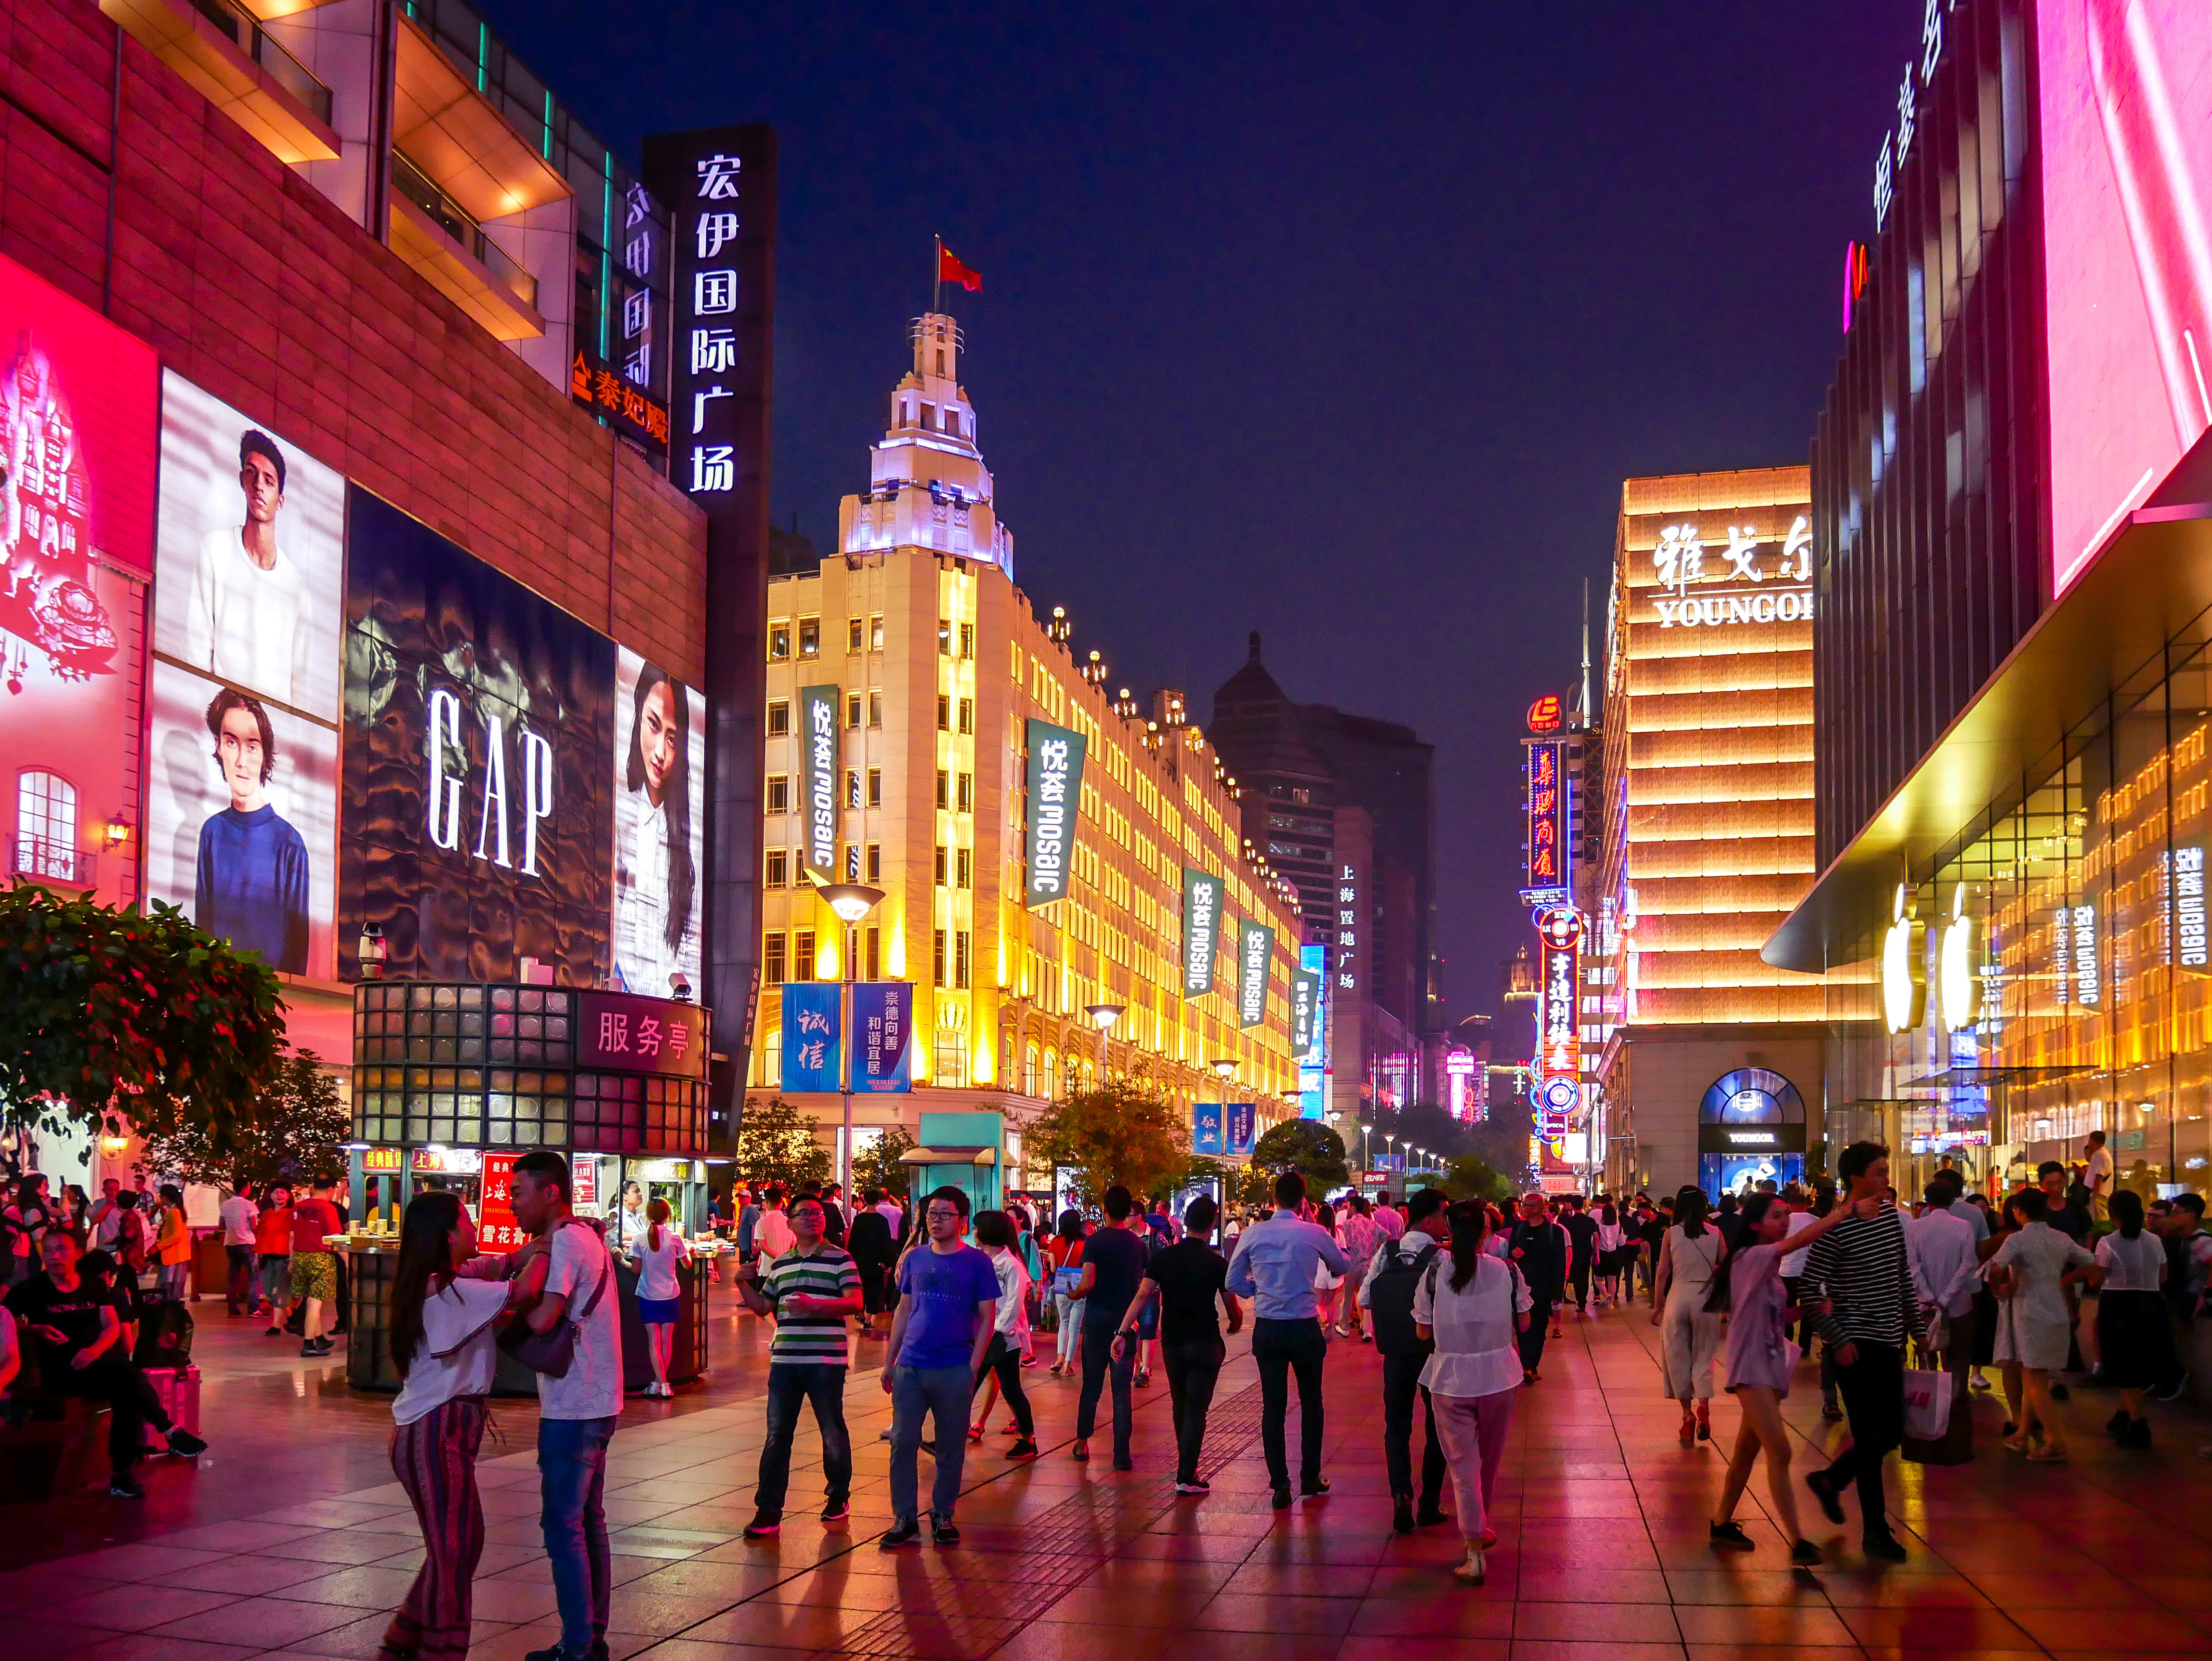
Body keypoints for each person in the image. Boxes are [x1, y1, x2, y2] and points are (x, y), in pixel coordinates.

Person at [1707, 1191, 1874, 1565]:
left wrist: (1808, 1309)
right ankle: (1798, 1540)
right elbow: (1798, 1241)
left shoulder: (1766, 1269)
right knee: (1780, 1450)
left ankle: (1721, 1524)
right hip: (1750, 1368)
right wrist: (1846, 1212)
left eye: (1786, 1215)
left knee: (1745, 1453)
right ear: (1755, 1223)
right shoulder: (1750, 1257)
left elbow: (1775, 1319)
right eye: (1776, 1216)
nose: (1784, 1222)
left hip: (1769, 1365)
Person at [381, 1190, 514, 1661]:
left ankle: (402, 1644)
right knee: (454, 1553)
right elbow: (530, 1289)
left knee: (457, 1547)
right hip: (435, 1431)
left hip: (438, 1428)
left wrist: (523, 1253)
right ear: (449, 1234)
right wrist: (558, 1244)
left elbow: (495, 1267)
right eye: (468, 1221)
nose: (475, 1229)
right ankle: (438, 1652)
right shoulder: (449, 1291)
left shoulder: (439, 1281)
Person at [504, 1148, 624, 1661]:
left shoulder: (566, 1244)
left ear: (550, 1192)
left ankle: (577, 1647)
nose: (511, 1203)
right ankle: (588, 1638)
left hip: (574, 1404)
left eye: (517, 1192)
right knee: (587, 1520)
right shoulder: (582, 1237)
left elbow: (542, 1320)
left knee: (563, 1524)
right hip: (598, 1398)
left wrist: (502, 1306)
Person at [3, 1230, 208, 1497]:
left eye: (62, 1249)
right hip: (62, 1372)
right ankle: (167, 1433)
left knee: (125, 1388)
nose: (55, 1256)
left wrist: (94, 1350)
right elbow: (5, 1318)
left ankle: (123, 1474)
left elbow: (112, 1325)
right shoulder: (31, 1290)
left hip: (96, 1365)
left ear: (78, 1253)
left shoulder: (94, 1285)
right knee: (126, 1376)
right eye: (49, 1250)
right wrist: (36, 1330)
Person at [1803, 1141, 1927, 1562]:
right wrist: (1837, 1339)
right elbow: (1808, 1289)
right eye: (1878, 1172)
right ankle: (1874, 1530)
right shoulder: (1835, 1227)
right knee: (1872, 1436)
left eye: (1886, 1171)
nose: (1886, 1179)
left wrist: (1918, 1329)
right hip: (1854, 1347)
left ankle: (1832, 1481)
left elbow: (1901, 1278)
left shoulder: (1892, 1217)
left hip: (1890, 1341)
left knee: (1889, 1433)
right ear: (1855, 1178)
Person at [1415, 1200, 1531, 1586]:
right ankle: (1481, 1527)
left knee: (1462, 1469)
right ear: (1487, 1230)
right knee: (1488, 1463)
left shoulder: (1435, 1272)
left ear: (1448, 1228)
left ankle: (1474, 1549)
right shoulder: (1507, 1270)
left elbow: (1423, 1332)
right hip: (1499, 1379)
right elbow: (1526, 1322)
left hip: (1450, 1381)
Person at [737, 1192, 863, 1537]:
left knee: (831, 1429)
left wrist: (815, 1306)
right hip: (786, 1361)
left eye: (817, 1213)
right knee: (778, 1435)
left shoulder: (841, 1259)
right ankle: (768, 1510)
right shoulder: (782, 1264)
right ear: (790, 1222)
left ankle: (838, 1496)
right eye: (804, 1214)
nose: (812, 1218)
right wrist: (740, 1282)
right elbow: (764, 1307)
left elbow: (855, 1302)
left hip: (826, 1360)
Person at [879, 1186, 998, 1548]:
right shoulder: (915, 1258)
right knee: (903, 1442)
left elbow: (987, 1318)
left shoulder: (978, 1263)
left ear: (962, 1220)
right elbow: (903, 1310)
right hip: (911, 1366)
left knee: (950, 1446)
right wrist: (890, 1362)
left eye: (945, 1214)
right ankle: (904, 1517)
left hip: (954, 1367)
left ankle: (943, 1514)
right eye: (932, 1213)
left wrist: (972, 1368)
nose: (936, 1219)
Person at [1225, 1172, 1351, 1508]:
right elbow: (1341, 1266)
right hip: (1303, 1325)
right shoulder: (1314, 1232)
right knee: (1312, 1402)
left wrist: (1258, 1290)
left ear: (1274, 1198)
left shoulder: (1254, 1233)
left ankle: (1280, 1484)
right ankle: (1309, 1477)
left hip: (1268, 1327)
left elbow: (1233, 1279)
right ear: (1303, 1200)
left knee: (1273, 1407)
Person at [183, 427, 313, 706]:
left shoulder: (296, 588)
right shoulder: (215, 549)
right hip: (221, 721)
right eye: (252, 473)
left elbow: (299, 683)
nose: (259, 486)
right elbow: (197, 647)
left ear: (281, 500)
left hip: (270, 734)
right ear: (242, 479)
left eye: (269, 480)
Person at [192, 687, 310, 974]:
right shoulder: (212, 832)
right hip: (217, 991)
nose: (242, 761)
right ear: (219, 747)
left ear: (265, 753)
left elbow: (298, 942)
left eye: (253, 746)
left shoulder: (289, 842)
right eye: (232, 743)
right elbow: (202, 924)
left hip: (267, 994)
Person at [1361, 1185, 1450, 1532]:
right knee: (1436, 1426)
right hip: (1434, 1352)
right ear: (1429, 1220)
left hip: (1396, 1351)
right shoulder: (1441, 1258)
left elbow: (1367, 1297)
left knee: (1396, 1426)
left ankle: (1401, 1493)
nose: (1447, 1224)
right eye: (1444, 1216)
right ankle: (1429, 1503)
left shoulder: (1388, 1252)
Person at [1986, 1186, 2096, 1463]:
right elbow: (2091, 1261)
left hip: (2029, 1310)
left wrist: (2000, 1290)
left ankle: (2056, 1441)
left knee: (2034, 1378)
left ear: (2019, 1212)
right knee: (2035, 1374)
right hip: (2056, 1308)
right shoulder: (2061, 1238)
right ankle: (2023, 1433)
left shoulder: (2017, 1240)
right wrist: (2065, 1281)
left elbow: (1995, 1269)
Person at [611, 663, 698, 999]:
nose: (661, 752)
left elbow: (688, 947)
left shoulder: (686, 842)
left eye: (672, 738)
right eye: (653, 725)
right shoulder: (621, 817)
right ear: (637, 718)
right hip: (622, 997)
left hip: (668, 1010)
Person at [1072, 1186, 1148, 1468]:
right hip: (1125, 1325)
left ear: (1105, 1210)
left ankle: (1082, 1444)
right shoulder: (1138, 1245)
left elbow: (1088, 1282)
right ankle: (1121, 1454)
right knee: (1122, 1392)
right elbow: (1144, 1285)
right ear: (1129, 1212)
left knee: (1091, 1385)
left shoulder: (1095, 1241)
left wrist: (1073, 1294)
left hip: (1096, 1323)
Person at [1905, 1179, 1980, 1460]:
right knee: (1959, 1357)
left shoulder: (1915, 1228)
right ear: (1954, 1200)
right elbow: (1968, 1266)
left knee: (1928, 1357)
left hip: (1924, 1307)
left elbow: (1912, 1267)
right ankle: (1955, 1404)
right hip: (1959, 1305)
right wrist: (1946, 1298)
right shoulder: (1964, 1227)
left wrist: (1929, 1297)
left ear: (1928, 1201)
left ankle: (1931, 1410)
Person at [2095, 1190, 2171, 1448]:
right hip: (2150, 1303)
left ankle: (2139, 1426)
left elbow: (2096, 1279)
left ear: (2114, 1214)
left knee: (2122, 1364)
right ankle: (2122, 1415)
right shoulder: (2155, 1241)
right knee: (2137, 1362)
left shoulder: (2108, 1242)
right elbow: (2163, 1276)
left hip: (2118, 1304)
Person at [1652, 1186, 1725, 1441]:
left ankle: (1687, 1416)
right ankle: (1703, 1406)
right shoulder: (1716, 1232)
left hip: (1678, 1297)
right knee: (1705, 1355)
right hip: (1706, 1298)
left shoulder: (1672, 1233)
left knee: (1677, 1355)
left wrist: (1658, 1306)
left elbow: (1663, 1272)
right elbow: (1726, 1267)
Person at [966, 1210, 1038, 1459]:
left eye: (977, 1228)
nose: (973, 1233)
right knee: (1005, 1388)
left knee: (977, 1385)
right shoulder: (982, 1261)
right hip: (987, 1336)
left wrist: (996, 1330)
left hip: (1001, 1339)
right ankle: (1028, 1439)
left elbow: (1014, 1304)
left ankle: (1028, 1439)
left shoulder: (1011, 1265)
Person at [626, 1199, 688, 1398]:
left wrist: (620, 1260)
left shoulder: (639, 1238)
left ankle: (660, 1384)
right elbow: (687, 1264)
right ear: (668, 1215)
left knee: (653, 1341)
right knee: (666, 1341)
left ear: (648, 1215)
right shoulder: (675, 1238)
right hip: (671, 1293)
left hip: (648, 1294)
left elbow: (635, 1269)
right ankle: (662, 1383)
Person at [1504, 1191, 1567, 1382]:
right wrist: (1513, 1254)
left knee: (1539, 1326)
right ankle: (1526, 1365)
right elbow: (1509, 1255)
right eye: (1523, 1205)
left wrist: (1557, 1292)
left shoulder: (1553, 1231)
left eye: (1528, 1205)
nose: (1523, 1208)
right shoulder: (1519, 1228)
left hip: (1542, 1287)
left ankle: (1532, 1364)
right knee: (1522, 1326)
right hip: (1520, 1286)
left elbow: (1559, 1262)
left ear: (1538, 1208)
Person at [291, 1174, 345, 1357]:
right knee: (316, 1302)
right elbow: (335, 1238)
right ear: (332, 1189)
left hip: (300, 1257)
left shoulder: (298, 1206)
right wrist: (348, 1261)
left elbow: (292, 1235)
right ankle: (308, 1344)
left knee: (310, 1299)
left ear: (313, 1186)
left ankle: (320, 1337)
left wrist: (292, 1261)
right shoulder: (328, 1208)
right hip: (320, 1258)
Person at [847, 1191, 898, 1339]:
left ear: (865, 1201)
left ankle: (860, 1312)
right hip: (876, 1261)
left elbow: (853, 1241)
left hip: (860, 1260)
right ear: (878, 1202)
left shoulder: (859, 1219)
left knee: (861, 1286)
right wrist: (888, 1262)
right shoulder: (882, 1221)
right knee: (875, 1288)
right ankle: (869, 1319)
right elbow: (886, 1243)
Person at [1046, 1209, 1088, 1376]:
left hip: (1061, 1288)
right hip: (1079, 1288)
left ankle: (1059, 1358)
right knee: (1075, 1328)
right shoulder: (1085, 1243)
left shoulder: (1055, 1242)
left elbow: (1053, 1268)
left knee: (1063, 1323)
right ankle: (1068, 1365)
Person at [1337, 1196, 1380, 1340]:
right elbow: (1387, 1235)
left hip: (1352, 1265)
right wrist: (1375, 1249)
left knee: (1348, 1297)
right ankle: (1368, 1330)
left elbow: (1345, 1244)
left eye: (1349, 1206)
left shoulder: (1348, 1224)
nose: (1347, 1209)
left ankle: (1344, 1327)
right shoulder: (1372, 1224)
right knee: (1366, 1298)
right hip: (1367, 1265)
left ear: (1354, 1208)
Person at [256, 1182, 294, 1332]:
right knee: (269, 1291)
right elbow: (261, 1235)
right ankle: (292, 1316)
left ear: (288, 1195)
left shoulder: (292, 1213)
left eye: (283, 1192)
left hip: (285, 1257)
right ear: (271, 1195)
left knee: (280, 1291)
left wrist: (293, 1259)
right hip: (269, 1257)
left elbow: (293, 1237)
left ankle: (276, 1326)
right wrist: (256, 1256)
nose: (279, 1195)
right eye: (276, 1192)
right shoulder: (266, 1214)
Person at [218, 1184, 258, 1317]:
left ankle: (232, 1309)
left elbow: (221, 1225)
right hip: (247, 1243)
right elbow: (254, 1227)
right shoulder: (249, 1205)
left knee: (233, 1277)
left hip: (230, 1243)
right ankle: (253, 1308)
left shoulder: (225, 1205)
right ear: (246, 1188)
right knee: (254, 1276)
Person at [153, 1184, 192, 1304]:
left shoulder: (175, 1212)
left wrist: (158, 1246)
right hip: (176, 1255)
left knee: (168, 1289)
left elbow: (176, 1236)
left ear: (165, 1196)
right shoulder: (176, 1211)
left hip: (173, 1256)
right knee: (170, 1289)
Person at [1561, 1195, 1599, 1316]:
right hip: (1586, 1252)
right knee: (1584, 1277)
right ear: (1583, 1205)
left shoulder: (1568, 1222)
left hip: (1573, 1253)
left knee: (1576, 1277)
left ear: (1571, 1206)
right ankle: (1582, 1302)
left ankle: (1579, 1300)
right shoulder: (1590, 1221)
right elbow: (1596, 1238)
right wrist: (1596, 1253)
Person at [1593, 1200, 1626, 1305]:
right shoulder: (1619, 1228)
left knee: (1598, 1278)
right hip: (1614, 1254)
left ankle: (1605, 1293)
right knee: (1612, 1280)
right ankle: (1611, 1304)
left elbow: (1594, 1242)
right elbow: (1621, 1243)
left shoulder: (1599, 1227)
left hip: (1602, 1254)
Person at [2083, 1130, 2114, 1225]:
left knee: (2098, 1222)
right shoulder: (2101, 1154)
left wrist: (2094, 1197)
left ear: (2092, 1140)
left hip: (2098, 1196)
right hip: (2099, 1195)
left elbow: (2099, 1177)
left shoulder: (2100, 1155)